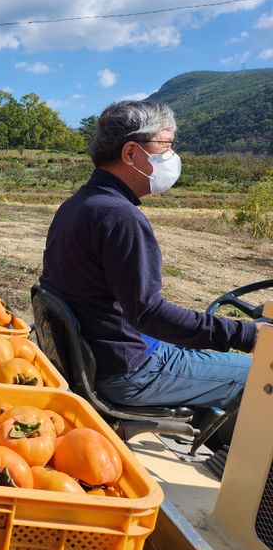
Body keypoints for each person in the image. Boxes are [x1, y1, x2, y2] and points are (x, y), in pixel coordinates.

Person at [39, 100, 266, 421]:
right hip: (128, 372)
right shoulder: (120, 217)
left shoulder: (79, 204)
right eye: (166, 147)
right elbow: (148, 313)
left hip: (105, 355)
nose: (172, 158)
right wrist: (247, 335)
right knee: (265, 374)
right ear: (131, 153)